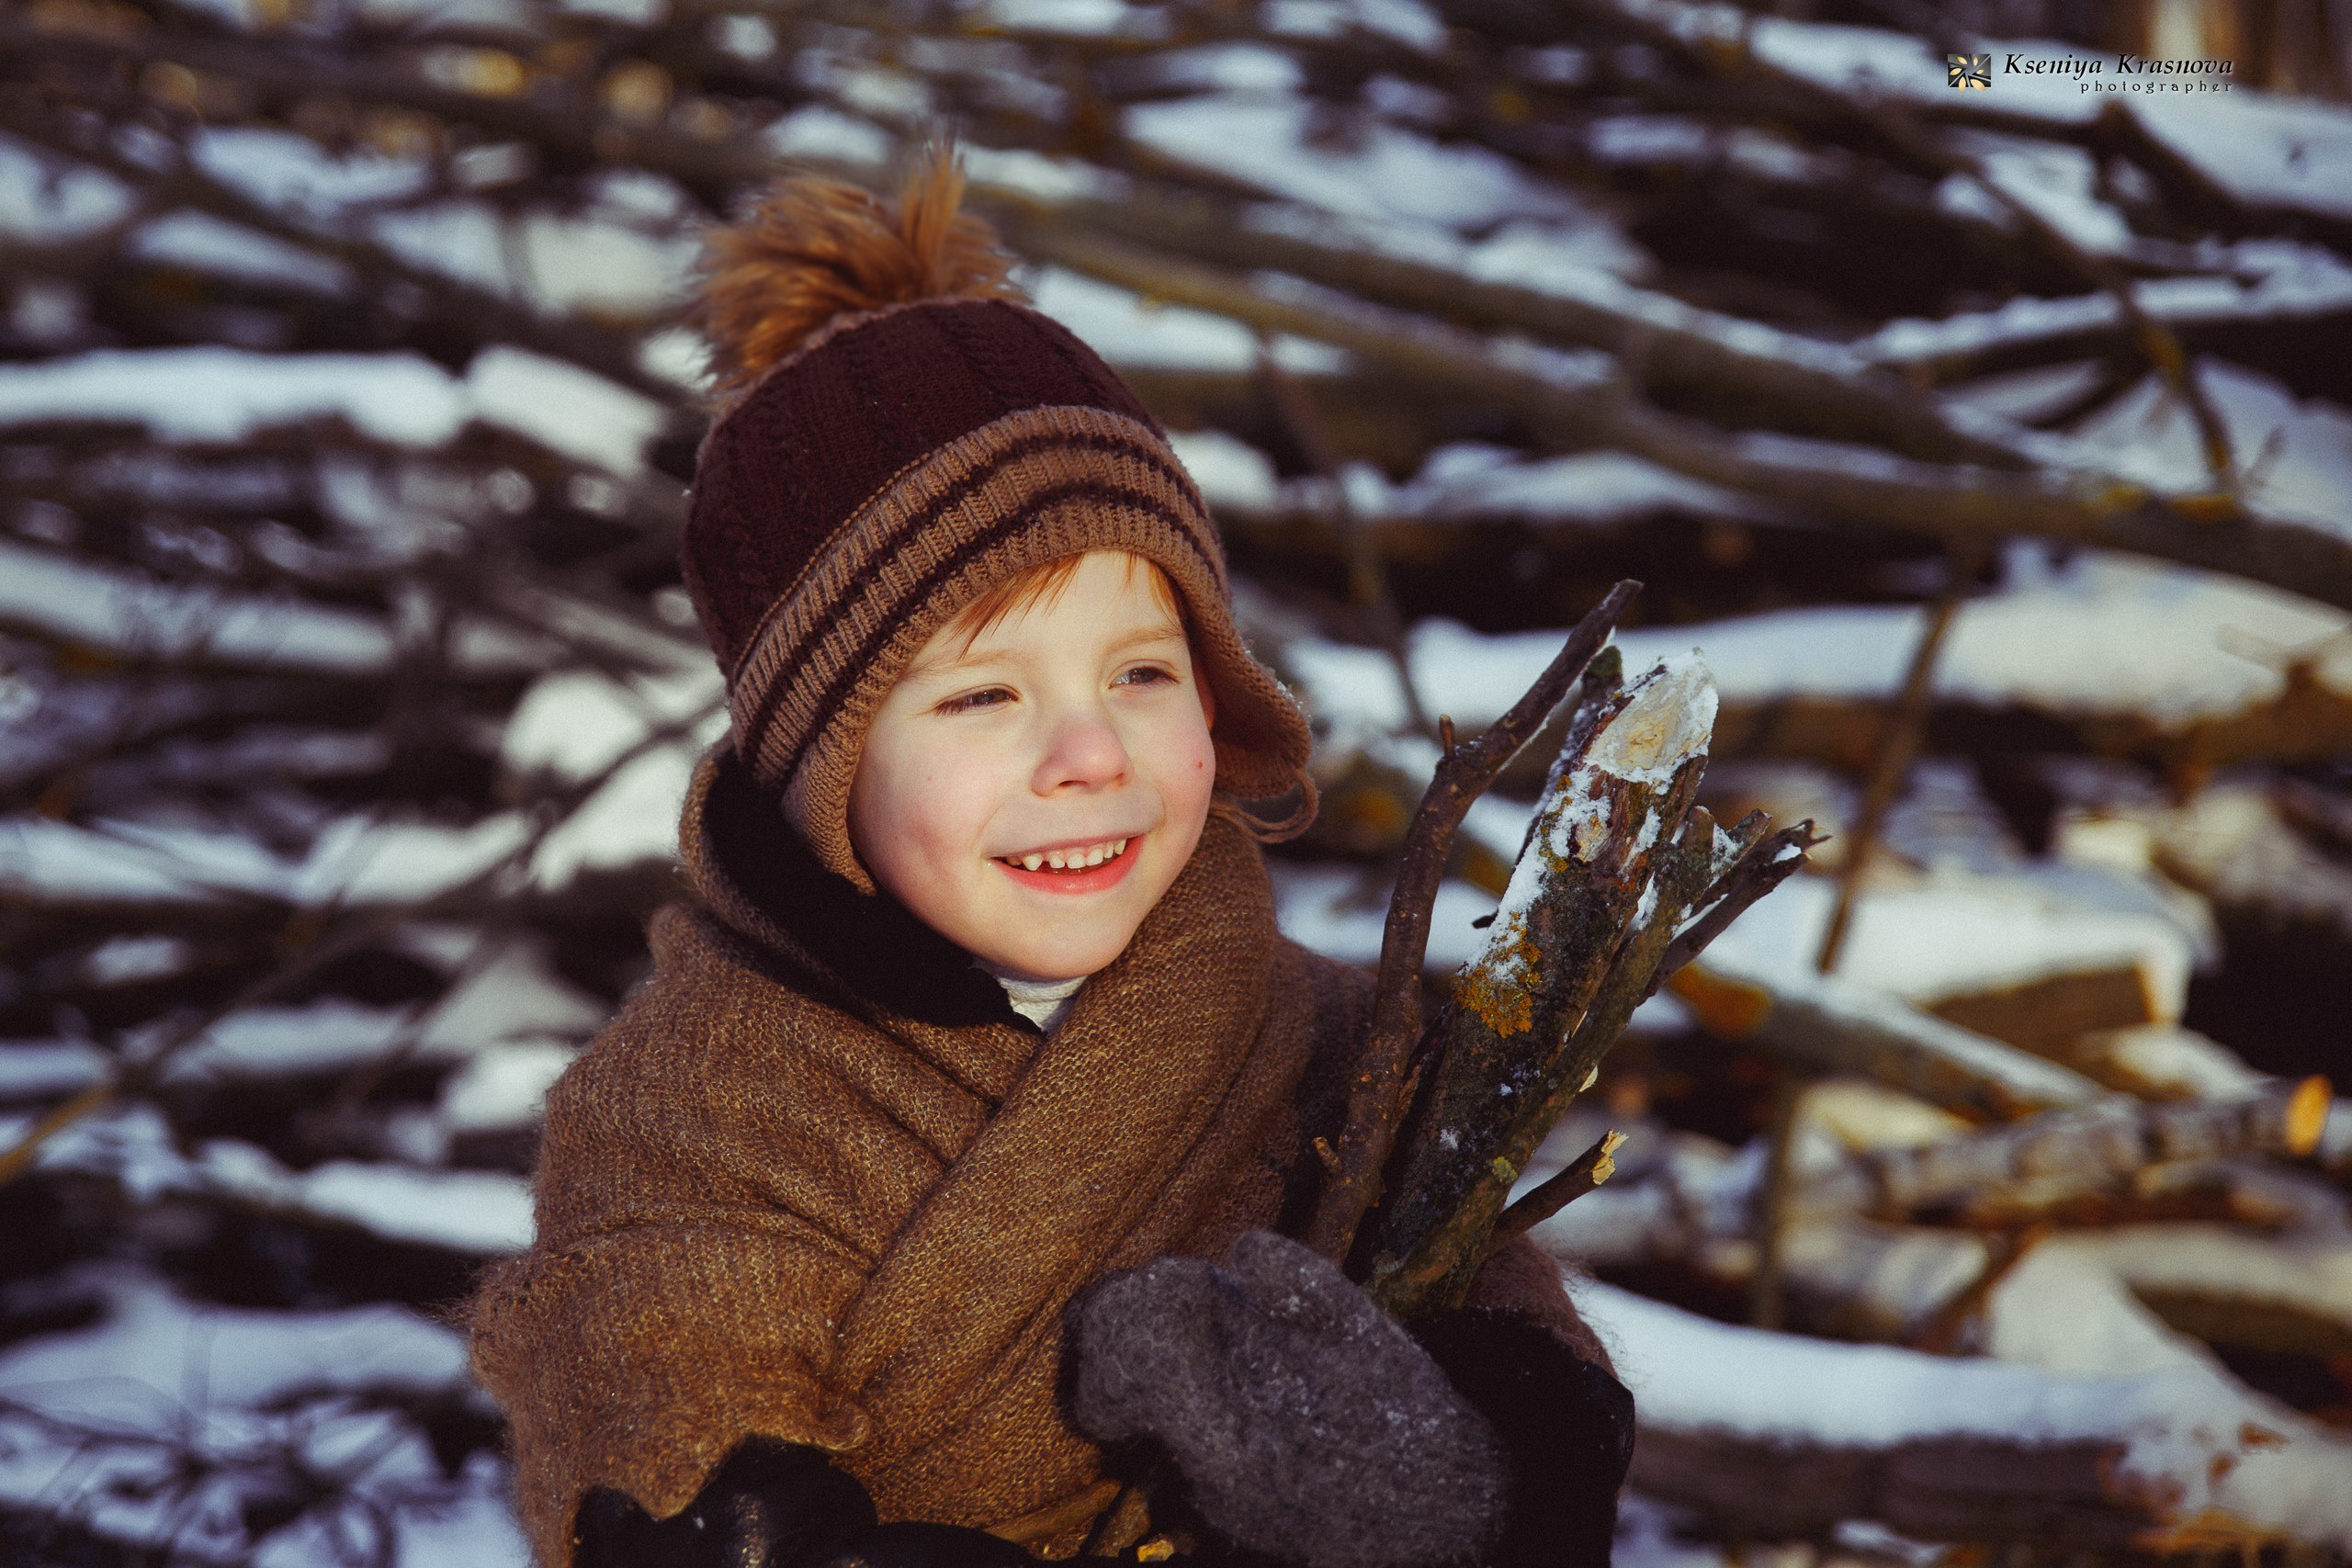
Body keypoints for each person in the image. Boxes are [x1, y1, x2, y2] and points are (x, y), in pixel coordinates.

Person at [467, 148, 1634, 1568]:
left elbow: (1525, 1352)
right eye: (980, 696)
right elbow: (669, 1441)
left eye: (1143, 672)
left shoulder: (1336, 1044)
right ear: (815, 765)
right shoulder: (693, 1115)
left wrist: (1442, 1478)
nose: (1090, 754)